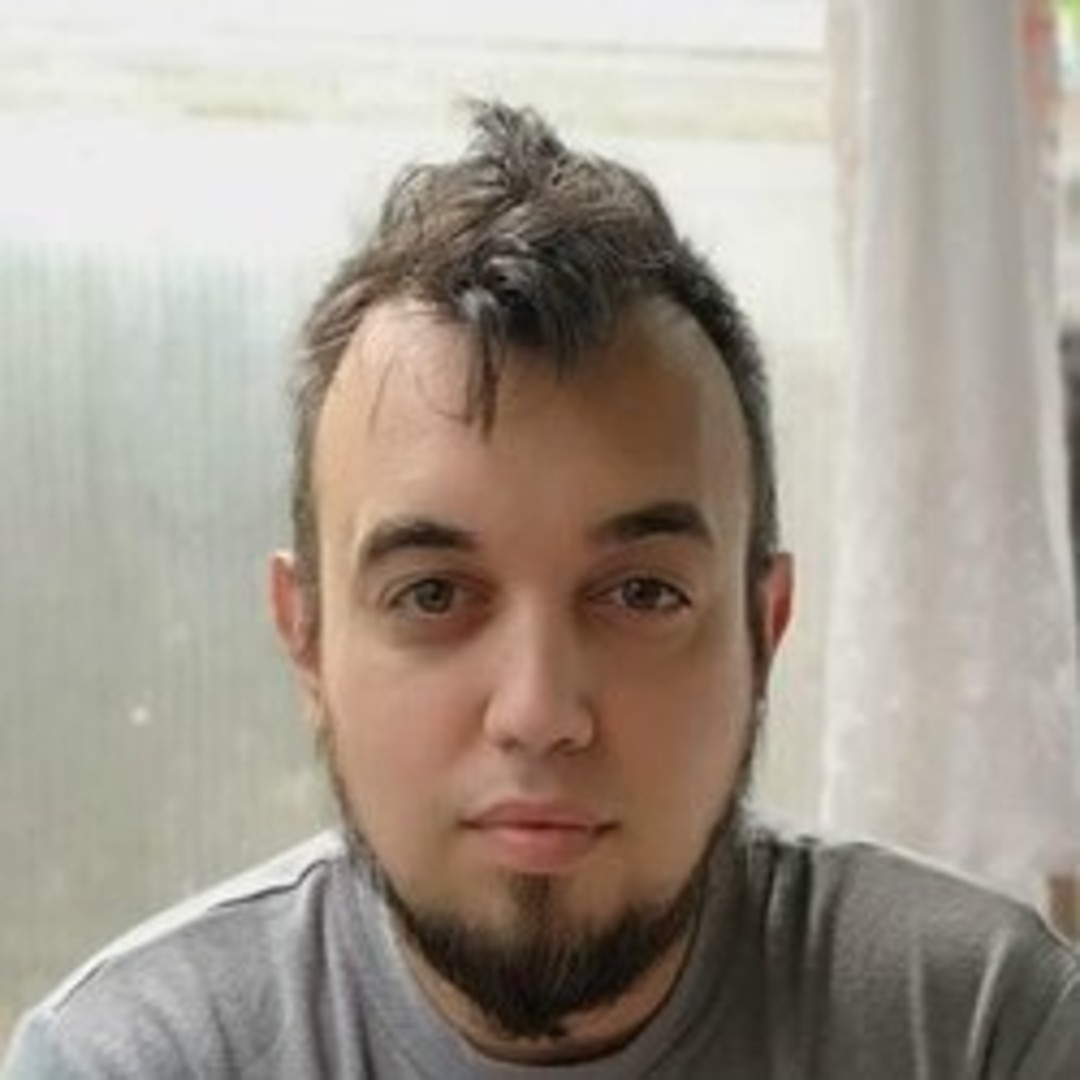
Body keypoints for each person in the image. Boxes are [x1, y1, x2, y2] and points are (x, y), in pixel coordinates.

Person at [4, 101, 1078, 1079]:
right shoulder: (134, 1062)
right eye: (434, 595)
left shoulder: (984, 1030)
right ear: (307, 640)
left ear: (765, 629)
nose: (538, 712)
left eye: (642, 594)